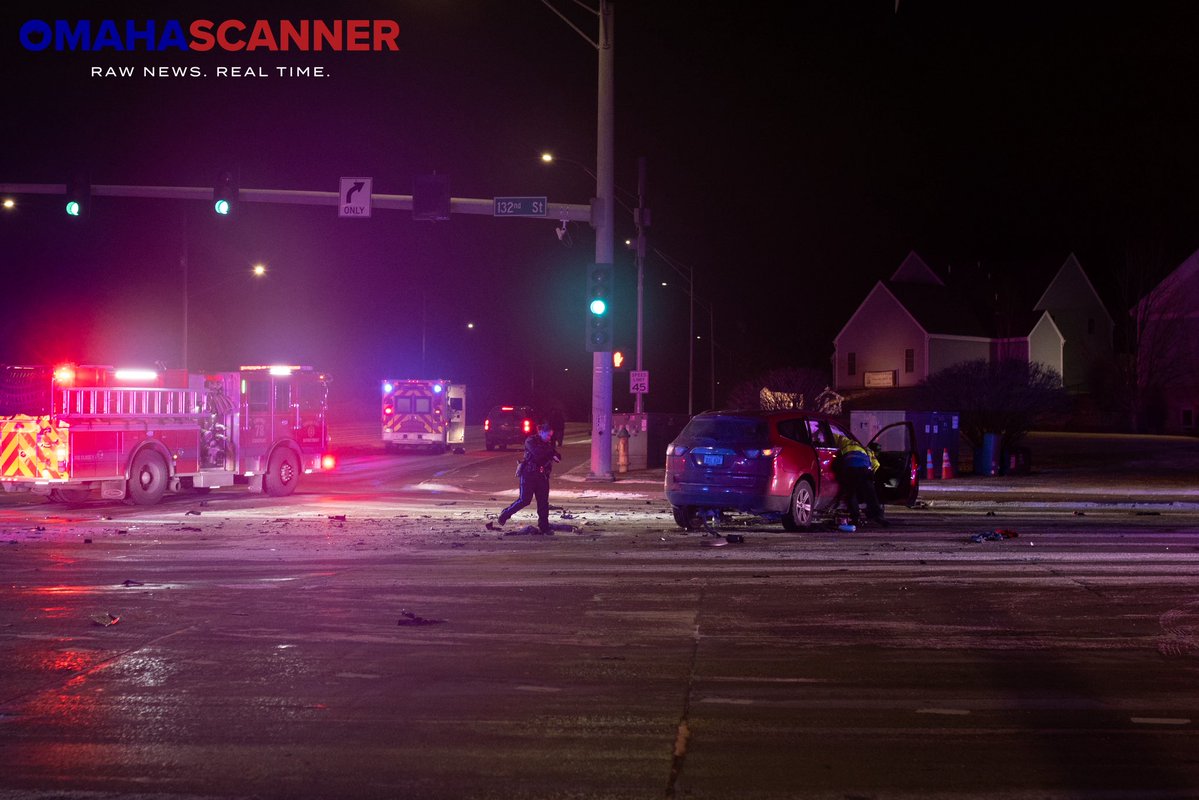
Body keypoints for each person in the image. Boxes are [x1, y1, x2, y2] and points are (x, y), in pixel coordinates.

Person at [487, 421, 561, 534]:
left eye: (551, 436)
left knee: (543, 502)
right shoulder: (531, 440)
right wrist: (551, 453)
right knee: (525, 500)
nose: (549, 438)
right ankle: (505, 514)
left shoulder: (548, 444)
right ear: (541, 432)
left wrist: (554, 455)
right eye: (548, 435)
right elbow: (538, 453)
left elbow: (557, 455)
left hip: (542, 476)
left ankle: (544, 527)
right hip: (529, 474)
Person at [832, 435, 888, 529]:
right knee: (870, 495)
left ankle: (855, 517)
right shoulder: (867, 450)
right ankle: (878, 516)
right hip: (864, 470)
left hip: (849, 469)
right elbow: (876, 465)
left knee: (851, 494)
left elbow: (835, 436)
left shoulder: (846, 442)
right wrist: (871, 477)